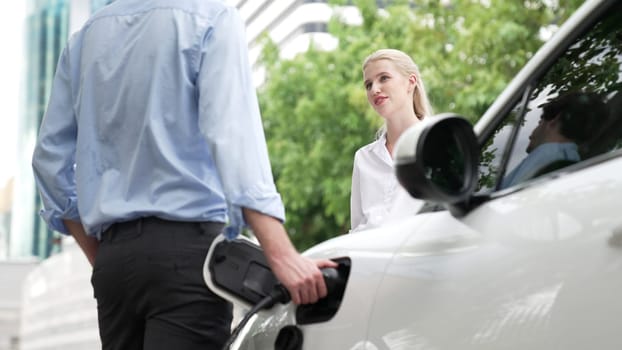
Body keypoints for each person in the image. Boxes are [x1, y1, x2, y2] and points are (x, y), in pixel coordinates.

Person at [31, 1, 336, 349]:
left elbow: (48, 163)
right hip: (187, 258)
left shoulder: (84, 39)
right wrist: (282, 254)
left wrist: (102, 255)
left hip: (114, 266)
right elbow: (231, 135)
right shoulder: (211, 18)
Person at [350, 49, 433, 232]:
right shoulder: (363, 158)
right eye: (368, 84)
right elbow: (356, 226)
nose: (374, 89)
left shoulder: (439, 142)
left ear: (410, 82)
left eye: (384, 78)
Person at [501, 91, 607, 189]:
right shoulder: (573, 162)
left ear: (554, 119)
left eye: (539, 123)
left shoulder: (547, 154)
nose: (531, 134)